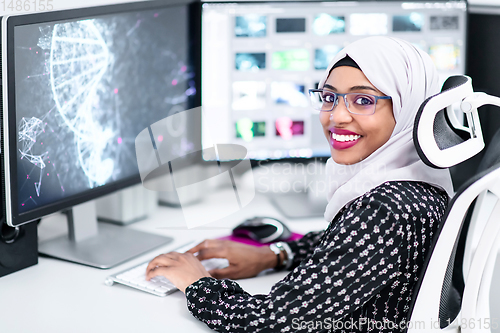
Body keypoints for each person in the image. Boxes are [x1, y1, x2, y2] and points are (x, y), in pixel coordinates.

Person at [145, 36, 454, 332]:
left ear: (408, 108)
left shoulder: (384, 209)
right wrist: (274, 254)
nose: (337, 116)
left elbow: (273, 323)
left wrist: (197, 282)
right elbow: (349, 247)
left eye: (363, 100)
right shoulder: (417, 182)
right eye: (329, 97)